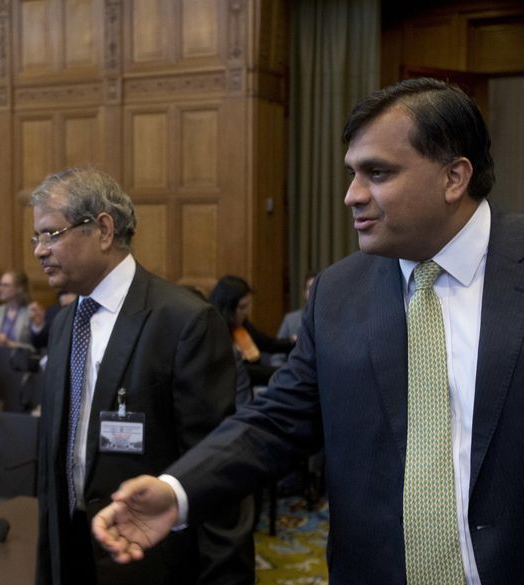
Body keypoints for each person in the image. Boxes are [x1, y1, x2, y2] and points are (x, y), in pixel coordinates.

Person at [94, 77, 522, 584]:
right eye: (352, 174)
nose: (352, 196)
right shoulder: (338, 293)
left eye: (378, 173)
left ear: (454, 178)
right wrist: (177, 490)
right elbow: (276, 421)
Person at [32, 167, 253, 585]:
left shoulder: (184, 321)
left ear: (102, 229)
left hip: (152, 557)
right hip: (72, 547)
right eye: (36, 238)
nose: (39, 251)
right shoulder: (65, 323)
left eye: (51, 234)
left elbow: (217, 466)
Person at [208, 275, 295, 386]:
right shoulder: (214, 332)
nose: (246, 312)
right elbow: (243, 370)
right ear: (227, 308)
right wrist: (282, 373)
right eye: (242, 307)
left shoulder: (240, 325)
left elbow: (267, 344)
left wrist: (293, 342)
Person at [0, 270, 35, 348]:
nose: (0, 289)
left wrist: (9, 344)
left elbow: (35, 349)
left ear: (19, 288)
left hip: (22, 359)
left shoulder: (31, 313)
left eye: (6, 285)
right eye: (0, 285)